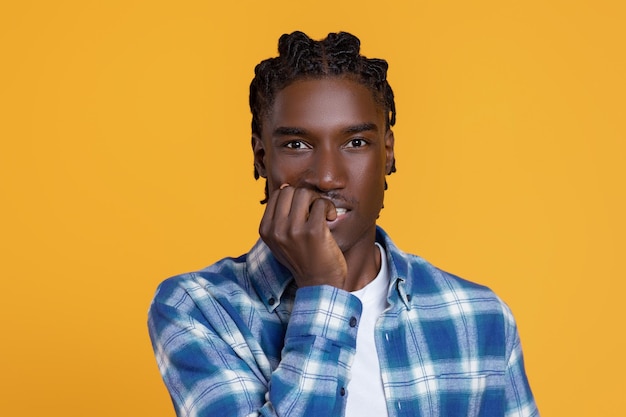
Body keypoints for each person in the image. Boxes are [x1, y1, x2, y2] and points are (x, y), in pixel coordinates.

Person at [148, 31, 539, 417]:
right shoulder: (199, 309)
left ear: (387, 152)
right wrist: (322, 290)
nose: (328, 177)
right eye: (297, 145)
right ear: (261, 156)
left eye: (355, 143)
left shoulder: (479, 317)